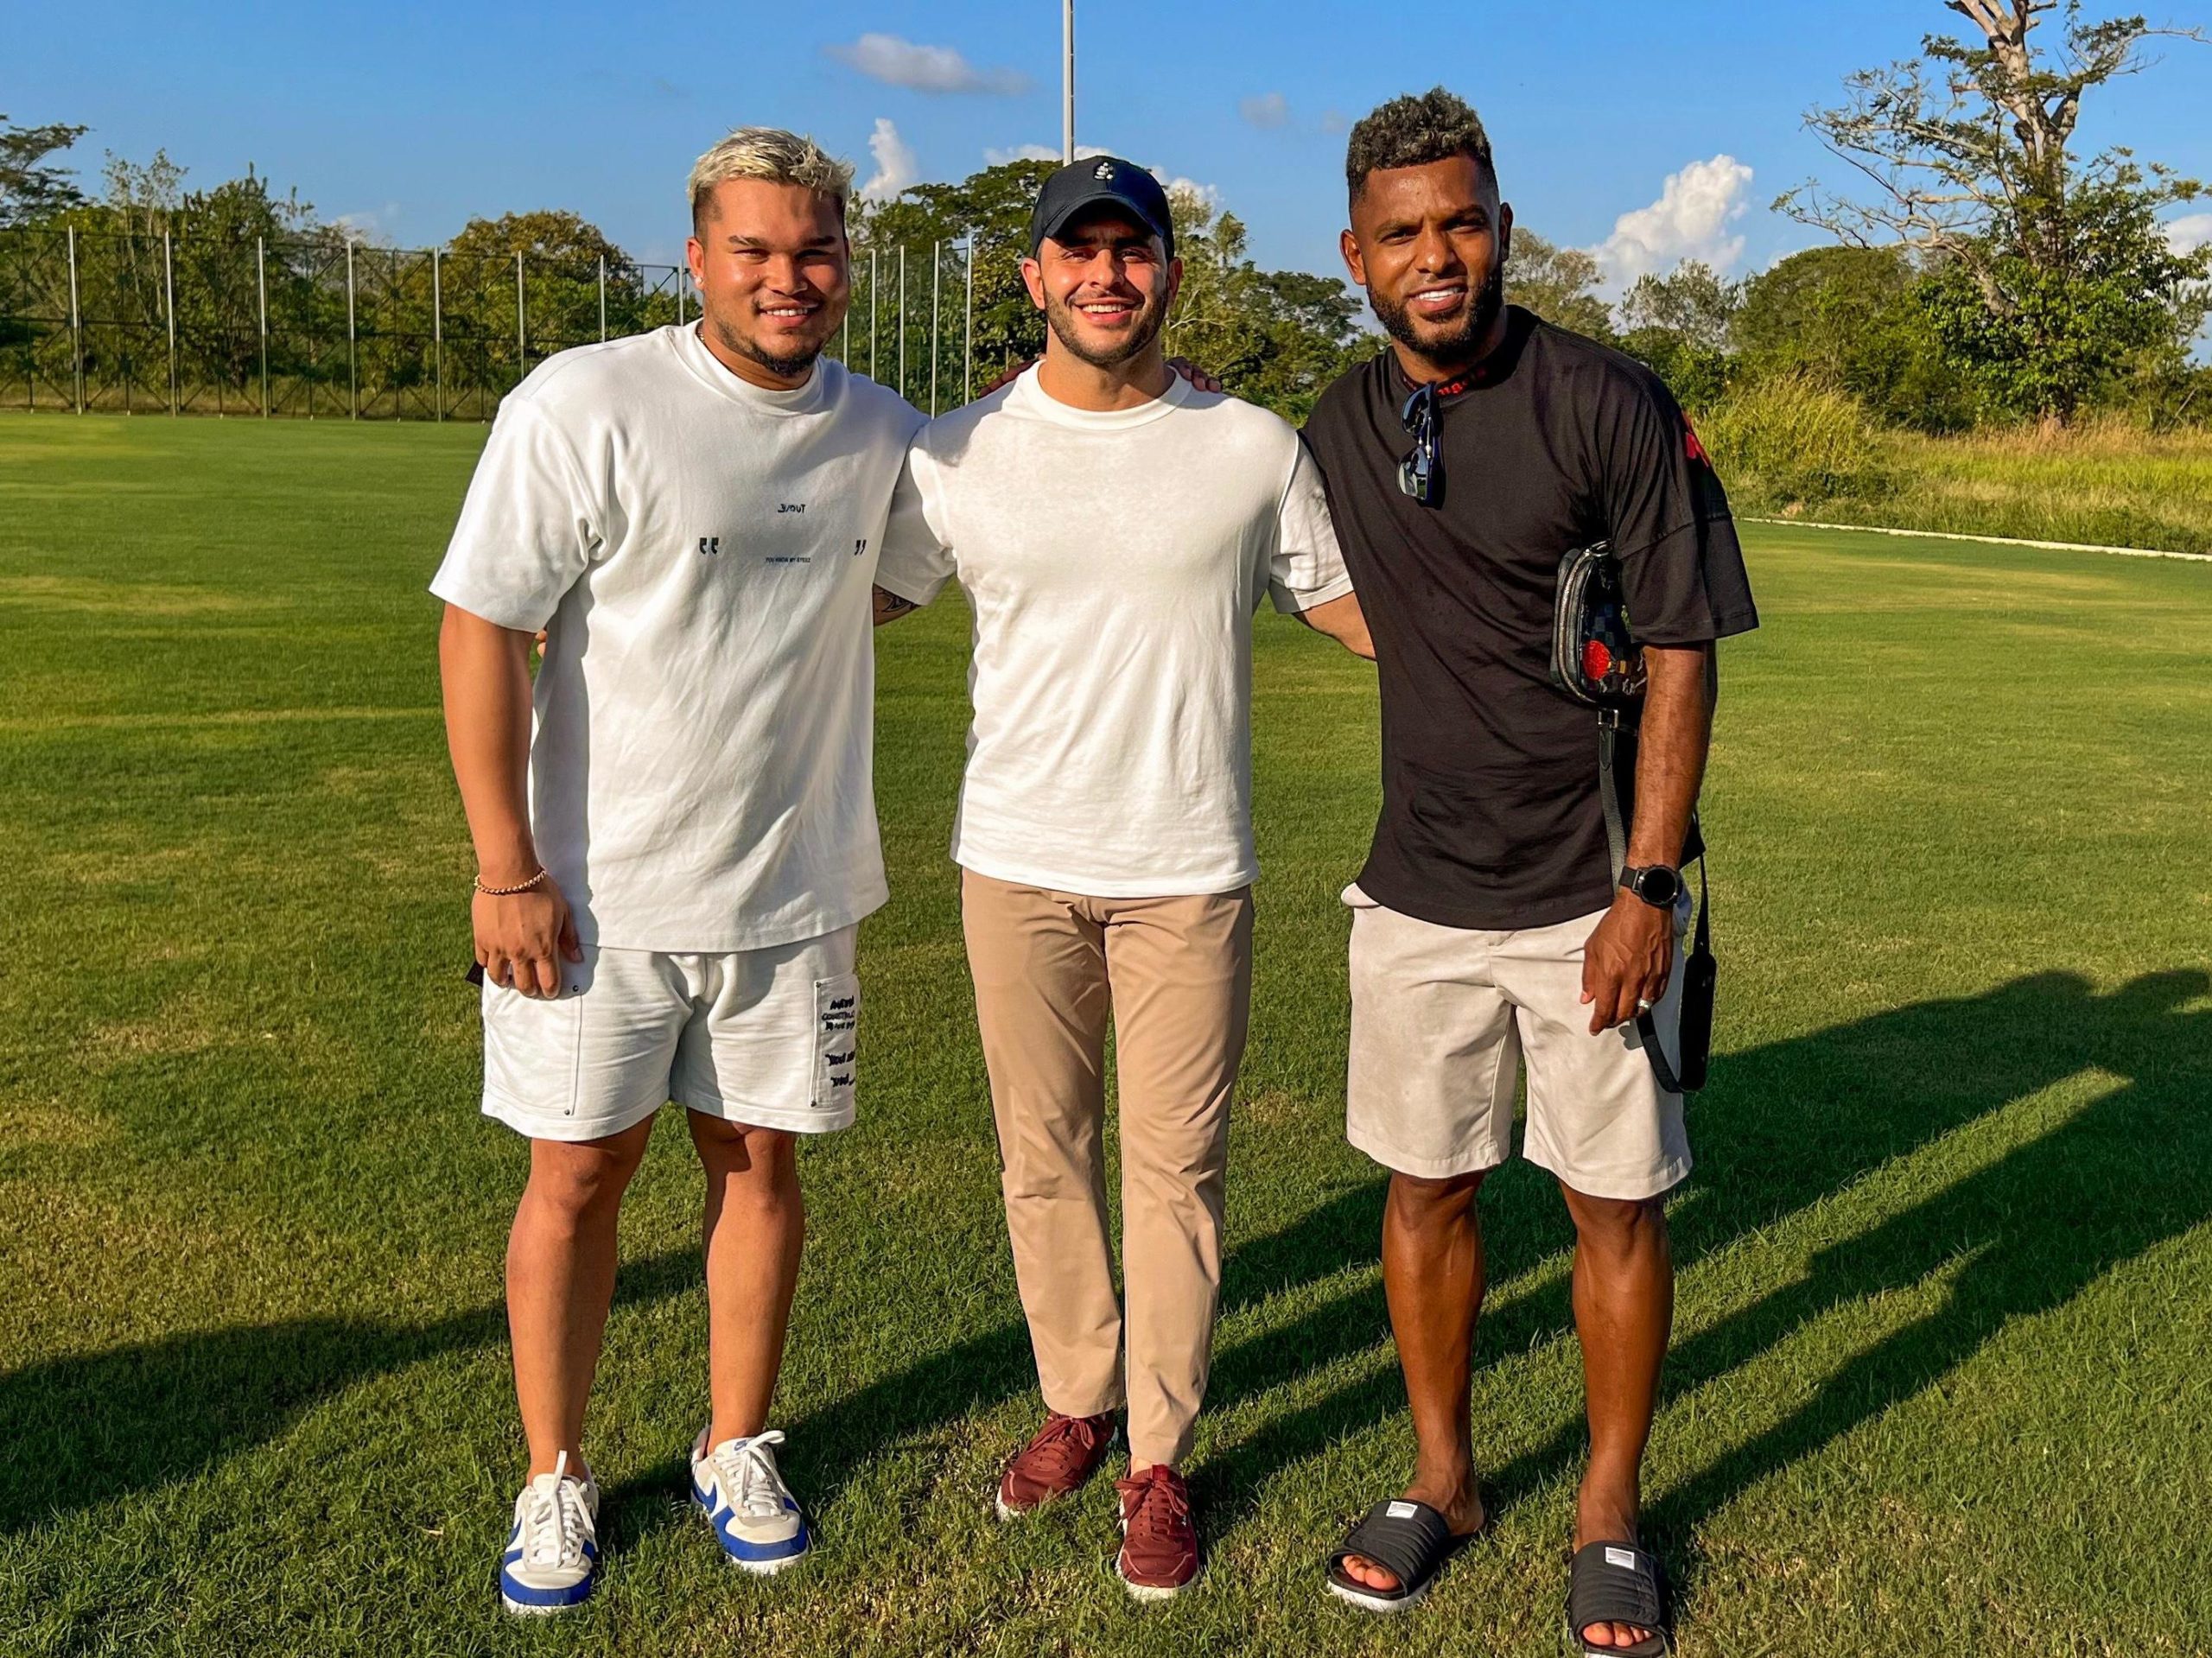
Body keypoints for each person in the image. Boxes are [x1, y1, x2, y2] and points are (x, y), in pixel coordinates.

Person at [431, 127, 923, 1615]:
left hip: (794, 888)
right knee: (579, 1172)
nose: (789, 278)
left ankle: (733, 1444)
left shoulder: (882, 427)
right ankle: (555, 1474)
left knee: (759, 1164)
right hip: (595, 892)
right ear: (695, 254)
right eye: (755, 251)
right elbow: (477, 625)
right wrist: (504, 863)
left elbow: (884, 586)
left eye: (816, 250)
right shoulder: (586, 400)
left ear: (849, 259)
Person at [872, 156, 1372, 1599]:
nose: (1105, 274)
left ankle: (1158, 1452)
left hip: (1187, 870)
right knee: (1042, 1158)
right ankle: (1077, 1402)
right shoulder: (955, 451)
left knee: (1175, 1173)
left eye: (1131, 249)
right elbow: (853, 597)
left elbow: (1360, 614)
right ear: (1031, 278)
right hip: (1013, 862)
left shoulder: (1249, 446)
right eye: (1074, 251)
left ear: (1168, 271)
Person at [1299, 90, 1759, 1655]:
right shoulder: (1335, 425)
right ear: (1354, 254)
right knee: (1425, 1195)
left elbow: (1687, 651)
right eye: (1405, 232)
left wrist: (1649, 882)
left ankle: (1609, 1509)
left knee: (1612, 1207)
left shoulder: (1608, 398)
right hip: (1415, 892)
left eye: (1464, 221)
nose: (1440, 254)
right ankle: (1446, 1479)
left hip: (1590, 896)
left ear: (1503, 225)